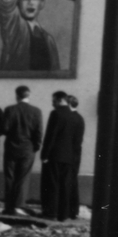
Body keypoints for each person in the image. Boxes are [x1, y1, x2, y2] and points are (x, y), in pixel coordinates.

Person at [1, 85, 43, 216]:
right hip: (28, 148)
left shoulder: (10, 110)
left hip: (12, 147)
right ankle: (19, 205)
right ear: (28, 95)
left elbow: (5, 128)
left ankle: (9, 206)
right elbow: (39, 132)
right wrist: (36, 146)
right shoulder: (36, 111)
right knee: (23, 177)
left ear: (17, 95)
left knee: (10, 177)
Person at [41, 91, 81, 221]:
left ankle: (52, 212)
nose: (52, 103)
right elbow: (76, 141)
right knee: (65, 185)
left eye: (53, 101)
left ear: (59, 100)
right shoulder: (75, 117)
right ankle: (63, 214)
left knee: (53, 184)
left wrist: (45, 154)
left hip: (55, 155)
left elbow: (51, 135)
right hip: (69, 157)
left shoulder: (56, 113)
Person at [66, 95, 85, 215]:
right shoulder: (79, 118)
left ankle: (70, 209)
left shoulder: (71, 118)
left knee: (68, 181)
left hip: (70, 153)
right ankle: (73, 209)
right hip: (75, 153)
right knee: (72, 181)